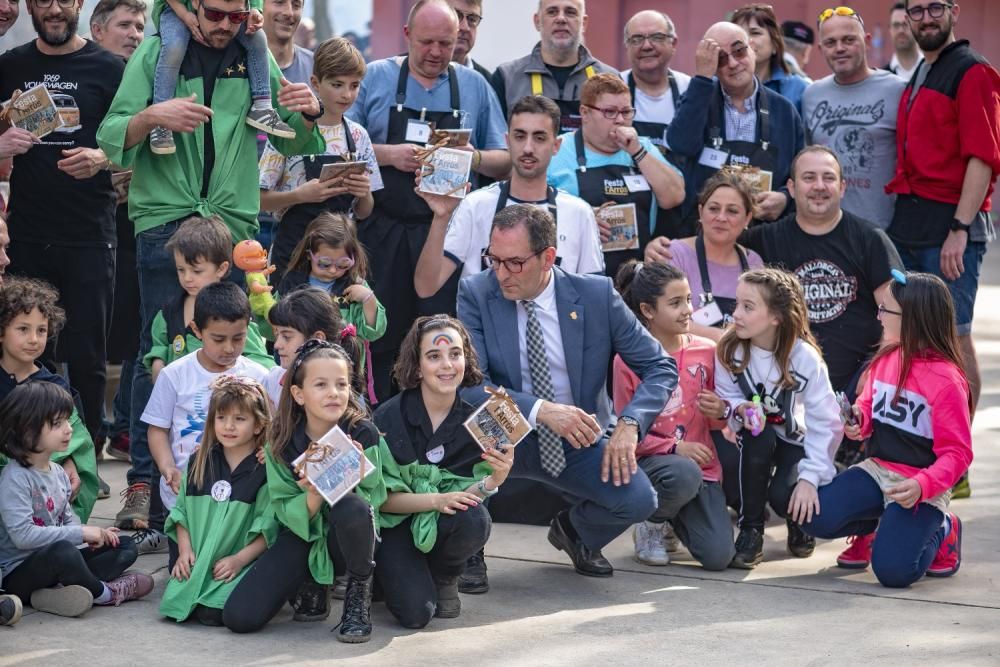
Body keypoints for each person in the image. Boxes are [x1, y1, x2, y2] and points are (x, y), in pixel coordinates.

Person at [97, 0, 325, 533]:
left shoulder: (254, 51)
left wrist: (309, 111)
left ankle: (229, 486)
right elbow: (110, 135)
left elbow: (299, 136)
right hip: (164, 220)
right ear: (192, 7)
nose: (225, 26)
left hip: (233, 226)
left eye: (234, 15)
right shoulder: (157, 50)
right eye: (215, 14)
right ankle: (143, 485)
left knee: (236, 346)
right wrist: (153, 116)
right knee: (156, 351)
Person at [457, 204, 675, 578]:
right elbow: (473, 385)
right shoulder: (476, 292)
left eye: (514, 263)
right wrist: (541, 410)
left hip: (579, 435)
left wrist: (630, 424)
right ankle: (468, 546)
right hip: (507, 429)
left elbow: (660, 367)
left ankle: (576, 533)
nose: (501, 273)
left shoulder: (596, 295)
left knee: (639, 499)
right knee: (460, 443)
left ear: (548, 257)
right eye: (493, 260)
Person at [346, 0, 509, 400]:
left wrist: (471, 158)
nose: (436, 52)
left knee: (441, 338)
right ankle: (381, 418)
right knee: (380, 335)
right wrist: (387, 155)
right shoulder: (376, 77)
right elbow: (341, 141)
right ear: (406, 36)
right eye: (427, 43)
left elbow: (504, 161)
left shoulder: (474, 86)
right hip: (381, 230)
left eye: (446, 43)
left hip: (447, 234)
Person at [0, 0, 125, 448]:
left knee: (89, 354)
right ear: (30, 6)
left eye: (63, 0)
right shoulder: (10, 66)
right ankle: (28, 447)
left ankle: (87, 451)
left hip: (91, 233)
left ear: (78, 5)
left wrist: (102, 157)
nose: (53, 9)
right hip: (29, 233)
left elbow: (139, 139)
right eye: (42, 0)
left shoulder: (111, 68)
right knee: (27, 348)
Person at [803, 271, 972, 587]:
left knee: (894, 572)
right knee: (812, 516)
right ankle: (876, 529)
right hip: (877, 469)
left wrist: (923, 486)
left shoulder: (947, 381)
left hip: (920, 485)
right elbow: (868, 407)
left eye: (885, 309)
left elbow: (958, 453)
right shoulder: (886, 358)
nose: (878, 315)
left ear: (912, 320)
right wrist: (859, 422)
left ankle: (944, 529)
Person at [221, 341, 387, 641]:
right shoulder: (282, 443)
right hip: (301, 535)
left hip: (350, 539)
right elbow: (284, 509)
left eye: (341, 384)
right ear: (298, 394)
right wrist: (312, 494)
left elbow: (377, 500)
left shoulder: (363, 432)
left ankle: (358, 592)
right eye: (321, 385)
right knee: (240, 616)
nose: (334, 393)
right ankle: (310, 580)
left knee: (352, 507)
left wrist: (353, 476)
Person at [884, 0, 999, 431]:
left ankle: (960, 451)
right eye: (917, 11)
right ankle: (922, 439)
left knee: (954, 335)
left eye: (935, 8)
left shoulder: (972, 71)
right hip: (910, 224)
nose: (926, 18)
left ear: (953, 11)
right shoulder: (922, 71)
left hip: (949, 227)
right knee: (914, 338)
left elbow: (983, 157)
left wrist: (960, 228)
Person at [373, 316, 511, 626]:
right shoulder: (388, 417)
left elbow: (466, 497)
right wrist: (436, 500)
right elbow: (381, 500)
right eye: (434, 356)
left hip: (441, 525)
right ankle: (385, 575)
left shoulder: (483, 422)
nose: (447, 364)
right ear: (417, 365)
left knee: (476, 518)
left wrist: (494, 480)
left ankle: (445, 574)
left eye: (455, 354)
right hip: (395, 525)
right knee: (415, 614)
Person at [735, 147, 903, 397]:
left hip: (858, 386)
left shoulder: (871, 240)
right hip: (785, 388)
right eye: (809, 177)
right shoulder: (765, 240)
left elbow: (899, 317)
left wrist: (877, 370)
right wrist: (661, 248)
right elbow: (715, 245)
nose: (819, 186)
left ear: (842, 187)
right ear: (791, 188)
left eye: (829, 178)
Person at [415, 95, 604, 299]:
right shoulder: (476, 204)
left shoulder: (579, 213)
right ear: (507, 141)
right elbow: (426, 288)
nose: (528, 148)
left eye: (539, 138)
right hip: (482, 329)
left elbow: (594, 298)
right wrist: (441, 217)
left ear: (556, 145)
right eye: (520, 136)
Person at [714, 268, 842, 568]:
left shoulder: (804, 357)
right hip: (752, 440)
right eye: (737, 304)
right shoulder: (729, 349)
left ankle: (799, 522)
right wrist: (739, 409)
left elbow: (826, 422)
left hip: (795, 439)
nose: (736, 314)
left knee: (785, 495)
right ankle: (751, 530)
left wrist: (810, 479)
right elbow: (726, 398)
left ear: (776, 317)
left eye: (748, 307)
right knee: (758, 438)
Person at [613, 261, 735, 571]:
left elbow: (718, 424)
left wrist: (721, 412)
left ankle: (672, 516)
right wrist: (674, 449)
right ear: (648, 310)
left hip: (702, 468)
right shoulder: (626, 361)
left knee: (718, 557)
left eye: (689, 299)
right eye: (675, 303)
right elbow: (623, 431)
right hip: (655, 468)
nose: (687, 310)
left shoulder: (707, 351)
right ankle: (652, 522)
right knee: (682, 474)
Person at [141, 282, 270, 561]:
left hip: (239, 498)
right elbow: (157, 430)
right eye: (218, 339)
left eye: (238, 338)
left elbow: (269, 427)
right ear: (196, 331)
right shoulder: (174, 375)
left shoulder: (258, 376)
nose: (229, 348)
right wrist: (167, 468)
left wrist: (266, 448)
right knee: (186, 568)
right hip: (186, 495)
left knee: (227, 566)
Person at [0, 382, 153, 616]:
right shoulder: (15, 477)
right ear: (27, 430)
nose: (69, 429)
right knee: (63, 552)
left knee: (124, 545)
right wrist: (81, 534)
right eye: (57, 424)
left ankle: (57, 593)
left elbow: (67, 521)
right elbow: (23, 536)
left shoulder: (59, 472)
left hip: (56, 561)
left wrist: (94, 536)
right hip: (19, 573)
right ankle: (104, 593)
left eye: (68, 421)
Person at [663, 21, 804, 228]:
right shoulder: (698, 98)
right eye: (719, 59)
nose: (732, 63)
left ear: (753, 49)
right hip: (704, 233)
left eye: (739, 51)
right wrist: (702, 78)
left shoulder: (783, 110)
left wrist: (785, 199)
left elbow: (800, 173)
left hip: (763, 233)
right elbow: (681, 145)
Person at [260, 37, 380, 280]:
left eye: (354, 85)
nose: (347, 94)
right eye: (337, 84)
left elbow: (365, 211)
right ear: (315, 83)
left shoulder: (359, 136)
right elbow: (258, 200)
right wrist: (299, 196)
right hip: (290, 255)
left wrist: (364, 192)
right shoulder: (287, 131)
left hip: (339, 264)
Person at [160, 375, 277, 624]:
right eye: (221, 418)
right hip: (198, 556)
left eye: (240, 419)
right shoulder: (200, 461)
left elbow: (267, 528)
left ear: (258, 425)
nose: (229, 426)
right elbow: (181, 512)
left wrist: (239, 560)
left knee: (213, 613)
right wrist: (184, 550)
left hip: (237, 560)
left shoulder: (264, 470)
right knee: (174, 607)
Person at [547, 73, 685, 279]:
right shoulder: (557, 151)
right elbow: (531, 212)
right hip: (576, 273)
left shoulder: (642, 147)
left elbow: (674, 197)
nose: (620, 120)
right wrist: (579, 219)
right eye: (610, 112)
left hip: (635, 277)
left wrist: (637, 152)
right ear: (584, 113)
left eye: (626, 112)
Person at [89, 0, 147, 466]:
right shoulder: (88, 75)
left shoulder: (145, 80)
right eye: (124, 25)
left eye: (140, 26)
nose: (134, 34)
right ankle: (86, 429)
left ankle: (124, 428)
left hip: (134, 224)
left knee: (140, 329)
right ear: (97, 29)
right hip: (85, 219)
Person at [0, 277, 99, 522]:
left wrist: (68, 460)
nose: (34, 339)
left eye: (41, 330)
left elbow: (75, 437)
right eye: (23, 329)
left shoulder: (55, 386)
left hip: (44, 492)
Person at [802, 6, 905, 231]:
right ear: (820, 49)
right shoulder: (811, 95)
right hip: (825, 229)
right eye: (830, 43)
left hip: (883, 232)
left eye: (849, 40)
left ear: (867, 41)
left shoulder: (897, 90)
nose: (840, 48)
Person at [147, 0, 293, 155]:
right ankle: (161, 121)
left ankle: (262, 106)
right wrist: (185, 15)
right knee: (174, 47)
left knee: (258, 38)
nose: (224, 26)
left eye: (237, 16)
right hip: (176, 9)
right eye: (214, 14)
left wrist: (255, 10)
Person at [146, 216, 274, 383]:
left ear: (221, 268)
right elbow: (159, 347)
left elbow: (261, 363)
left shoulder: (233, 312)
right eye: (181, 270)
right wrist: (158, 362)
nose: (187, 278)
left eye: (196, 271)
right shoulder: (168, 313)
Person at [660, 169, 764, 342]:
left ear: (747, 219)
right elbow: (665, 320)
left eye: (732, 211)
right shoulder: (674, 254)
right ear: (701, 212)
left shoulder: (753, 262)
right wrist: (724, 339)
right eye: (714, 208)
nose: (721, 217)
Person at [491, 0, 618, 133]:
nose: (561, 19)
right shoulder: (507, 78)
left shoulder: (610, 79)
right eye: (552, 12)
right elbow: (496, 144)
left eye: (570, 12)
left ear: (584, 23)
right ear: (537, 21)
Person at [265, 286, 359, 405]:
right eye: (276, 334)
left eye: (287, 337)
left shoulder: (339, 400)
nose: (277, 345)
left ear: (316, 339)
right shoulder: (273, 380)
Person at [620, 10, 691, 158]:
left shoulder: (689, 88)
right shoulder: (615, 87)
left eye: (657, 37)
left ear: (674, 43)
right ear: (627, 46)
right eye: (637, 39)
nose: (646, 46)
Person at [732, 4, 809, 113]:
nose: (746, 40)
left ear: (775, 43)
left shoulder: (798, 89)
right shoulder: (717, 85)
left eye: (755, 33)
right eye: (738, 33)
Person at [261, 0, 312, 83]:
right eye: (279, 2)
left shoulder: (317, 68)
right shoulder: (238, 68)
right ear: (259, 6)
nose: (289, 13)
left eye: (296, 5)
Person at [448, 0, 491, 80]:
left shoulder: (487, 82)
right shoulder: (419, 74)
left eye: (472, 19)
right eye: (456, 16)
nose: (465, 28)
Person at [884, 2, 922, 80]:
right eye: (896, 25)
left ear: (916, 26)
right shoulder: (882, 77)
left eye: (906, 24)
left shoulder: (932, 69)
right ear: (890, 30)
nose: (901, 30)